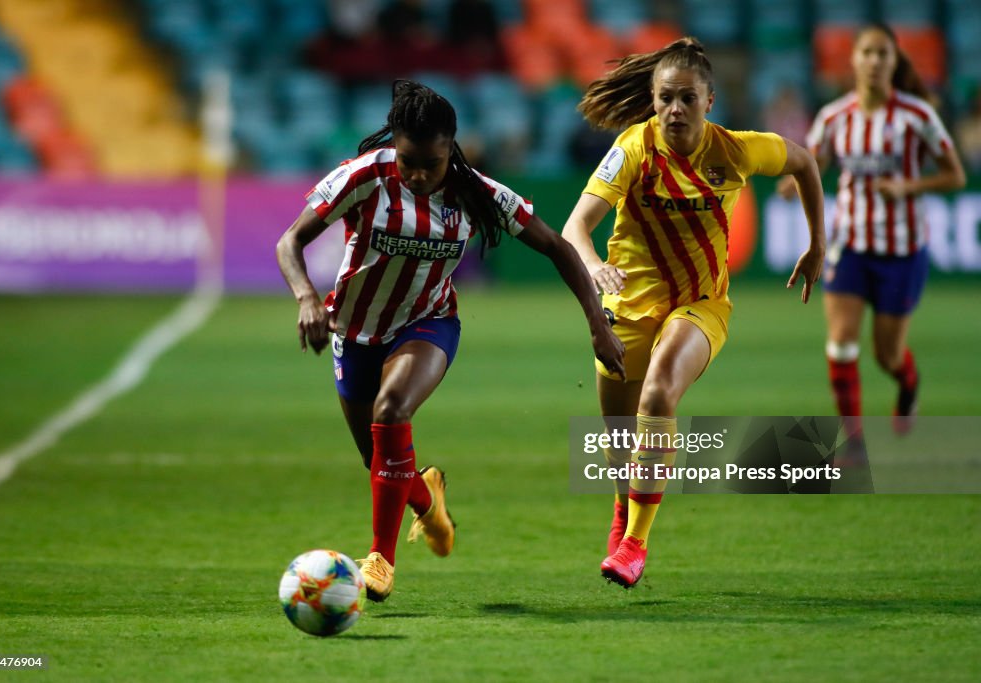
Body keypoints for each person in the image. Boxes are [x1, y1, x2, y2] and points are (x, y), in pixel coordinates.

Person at [277, 80, 625, 602]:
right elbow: (291, 241)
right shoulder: (364, 177)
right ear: (393, 143)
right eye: (408, 161)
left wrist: (597, 323)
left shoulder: (476, 192)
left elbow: (556, 246)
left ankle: (380, 559)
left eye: (431, 163)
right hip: (353, 330)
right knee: (380, 462)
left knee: (391, 410)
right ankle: (427, 497)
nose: (418, 174)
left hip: (428, 322)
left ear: (451, 150)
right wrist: (307, 296)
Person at [561, 37, 826, 588]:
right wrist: (592, 266)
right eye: (664, 98)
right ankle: (622, 515)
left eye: (686, 98)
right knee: (619, 440)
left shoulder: (737, 150)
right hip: (627, 308)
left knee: (659, 394)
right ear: (653, 101)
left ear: (710, 100)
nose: (674, 109)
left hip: (701, 305)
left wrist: (817, 243)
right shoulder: (633, 149)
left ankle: (635, 543)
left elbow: (803, 162)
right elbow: (575, 227)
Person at [779, 23, 966, 449]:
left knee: (887, 355)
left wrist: (908, 187)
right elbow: (816, 163)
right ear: (854, 60)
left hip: (902, 250)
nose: (876, 61)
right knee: (841, 343)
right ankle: (854, 443)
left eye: (884, 54)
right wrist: (794, 185)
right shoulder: (833, 117)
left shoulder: (917, 117)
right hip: (848, 246)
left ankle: (908, 382)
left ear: (895, 61)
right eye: (868, 52)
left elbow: (955, 175)